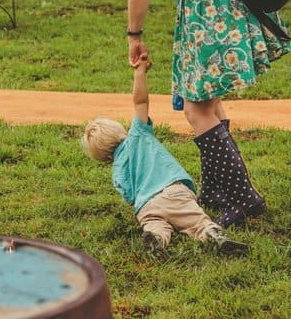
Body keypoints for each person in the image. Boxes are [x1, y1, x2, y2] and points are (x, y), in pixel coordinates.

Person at [127, 0, 291, 227]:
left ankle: (244, 197)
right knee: (208, 99)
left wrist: (134, 34)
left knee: (196, 108)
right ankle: (216, 190)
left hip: (206, 7)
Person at [81, 57, 247, 256]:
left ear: (104, 158)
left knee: (154, 225)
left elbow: (129, 197)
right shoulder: (137, 135)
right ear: (121, 131)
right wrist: (139, 72)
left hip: (146, 207)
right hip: (173, 192)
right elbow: (140, 101)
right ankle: (213, 235)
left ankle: (156, 239)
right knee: (197, 222)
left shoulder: (116, 173)